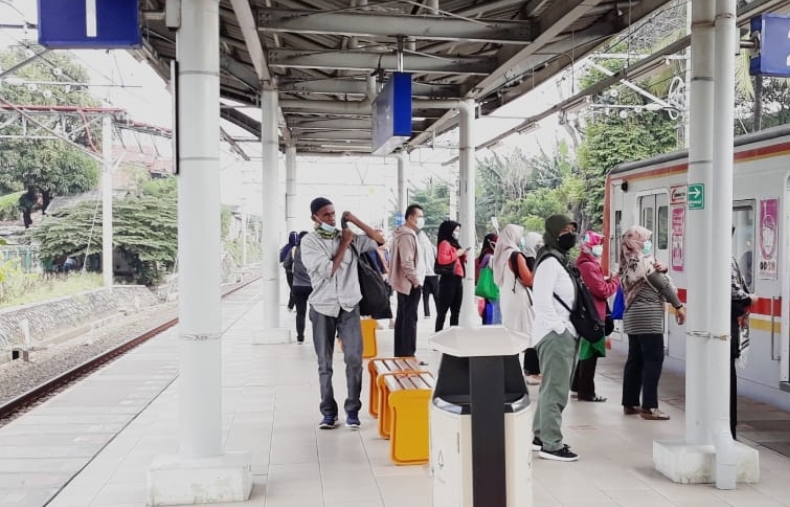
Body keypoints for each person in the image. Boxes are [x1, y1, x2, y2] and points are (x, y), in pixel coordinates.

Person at [300, 197, 385, 429]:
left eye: (334, 213)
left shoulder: (346, 235)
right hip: (322, 307)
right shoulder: (310, 242)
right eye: (326, 215)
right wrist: (345, 244)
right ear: (314, 218)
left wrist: (354, 220)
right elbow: (328, 270)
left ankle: (352, 410)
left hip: (349, 305)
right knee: (325, 363)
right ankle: (328, 412)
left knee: (354, 359)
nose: (331, 218)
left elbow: (379, 240)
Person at [619, 225, 685, 421]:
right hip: (648, 318)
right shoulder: (644, 262)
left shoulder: (626, 261)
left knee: (635, 360)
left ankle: (630, 403)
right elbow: (662, 284)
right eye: (645, 239)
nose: (647, 243)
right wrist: (678, 306)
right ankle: (649, 407)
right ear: (636, 241)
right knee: (653, 360)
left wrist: (663, 267)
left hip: (632, 317)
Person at [531, 214, 580, 462]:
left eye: (572, 229)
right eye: (565, 230)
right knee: (557, 390)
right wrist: (560, 329)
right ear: (553, 233)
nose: (570, 233)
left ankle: (540, 435)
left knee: (551, 387)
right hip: (555, 335)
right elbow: (541, 302)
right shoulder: (550, 262)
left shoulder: (560, 260)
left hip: (562, 332)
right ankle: (551, 443)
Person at [572, 231, 619, 402]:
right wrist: (615, 281)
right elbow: (601, 291)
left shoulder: (583, 264)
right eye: (597, 243)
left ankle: (577, 386)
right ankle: (587, 392)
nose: (600, 247)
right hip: (593, 315)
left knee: (585, 353)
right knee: (590, 354)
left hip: (587, 313)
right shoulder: (589, 266)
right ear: (589, 246)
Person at [492, 224, 536, 379]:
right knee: (529, 332)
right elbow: (528, 279)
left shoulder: (500, 254)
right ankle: (531, 371)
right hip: (520, 299)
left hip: (507, 298)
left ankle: (510, 370)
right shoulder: (515, 255)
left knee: (511, 332)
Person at [390, 204, 426, 357]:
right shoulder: (407, 235)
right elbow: (407, 262)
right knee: (409, 319)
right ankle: (408, 354)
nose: (421, 220)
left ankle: (401, 352)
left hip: (405, 283)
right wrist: (416, 281)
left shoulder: (403, 233)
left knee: (404, 318)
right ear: (410, 217)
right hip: (410, 284)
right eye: (419, 217)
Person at [731, 225, 756, 439]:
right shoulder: (725, 258)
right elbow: (732, 289)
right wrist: (749, 298)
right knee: (728, 378)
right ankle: (729, 429)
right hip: (727, 328)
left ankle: (729, 428)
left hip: (726, 326)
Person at [434, 220, 468, 332]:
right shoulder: (445, 243)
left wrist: (463, 255)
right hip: (448, 280)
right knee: (443, 311)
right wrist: (457, 254)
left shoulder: (454, 243)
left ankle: (453, 336)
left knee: (455, 311)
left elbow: (456, 260)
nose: (457, 233)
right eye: (455, 230)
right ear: (449, 231)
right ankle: (438, 336)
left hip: (457, 279)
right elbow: (442, 260)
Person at [521, 232, 543, 384]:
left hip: (535, 302)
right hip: (534, 303)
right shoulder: (530, 260)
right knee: (534, 338)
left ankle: (532, 369)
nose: (540, 246)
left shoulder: (531, 259)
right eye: (538, 243)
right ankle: (532, 370)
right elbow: (532, 281)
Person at [291, 231, 312, 344]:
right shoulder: (312, 250)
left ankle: (300, 337)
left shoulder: (295, 250)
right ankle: (318, 334)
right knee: (316, 311)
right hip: (312, 286)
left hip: (297, 285)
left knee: (300, 313)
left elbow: (288, 264)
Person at [476, 233, 500, 325]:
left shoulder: (484, 253)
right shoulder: (489, 255)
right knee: (494, 309)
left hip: (487, 286)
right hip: (492, 287)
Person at [418, 230, 439, 319]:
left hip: (423, 275)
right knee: (436, 295)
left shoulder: (418, 247)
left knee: (425, 296)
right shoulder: (432, 246)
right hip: (433, 274)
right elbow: (437, 257)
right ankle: (439, 311)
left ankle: (427, 314)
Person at [280, 231, 299, 311]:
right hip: (299, 272)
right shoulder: (301, 247)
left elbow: (281, 258)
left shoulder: (287, 247)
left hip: (289, 272)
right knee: (296, 289)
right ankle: (293, 306)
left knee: (293, 289)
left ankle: (291, 306)